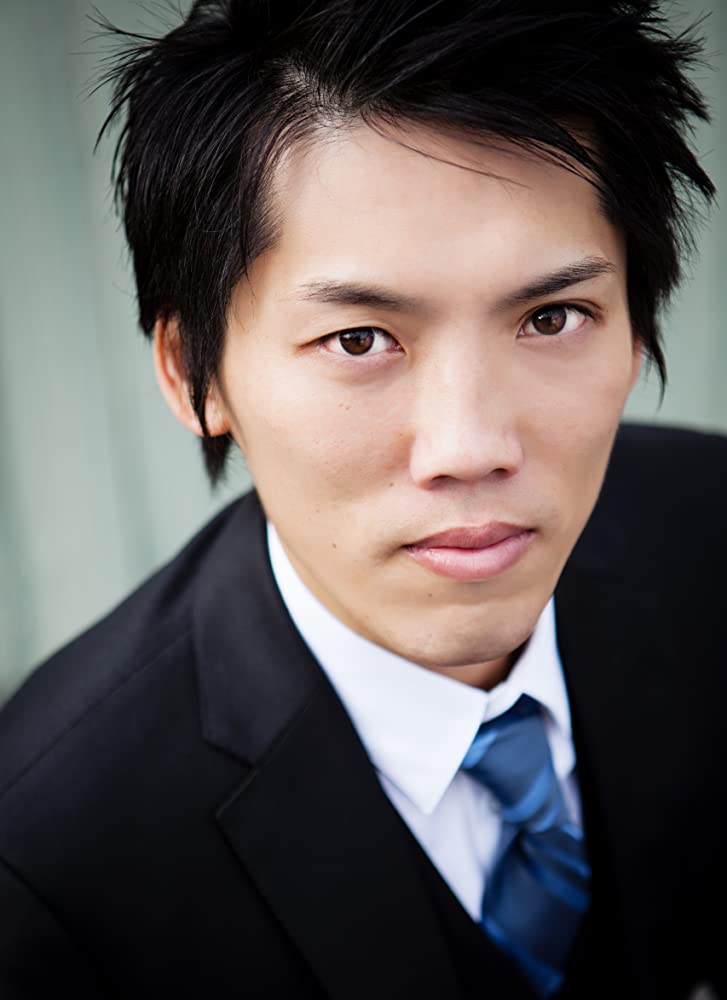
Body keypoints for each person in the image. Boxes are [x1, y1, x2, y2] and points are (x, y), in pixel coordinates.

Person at [0, 0, 724, 997]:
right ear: (192, 373)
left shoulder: (709, 534)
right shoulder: (45, 862)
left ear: (635, 328)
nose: (470, 447)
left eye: (553, 317)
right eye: (358, 340)